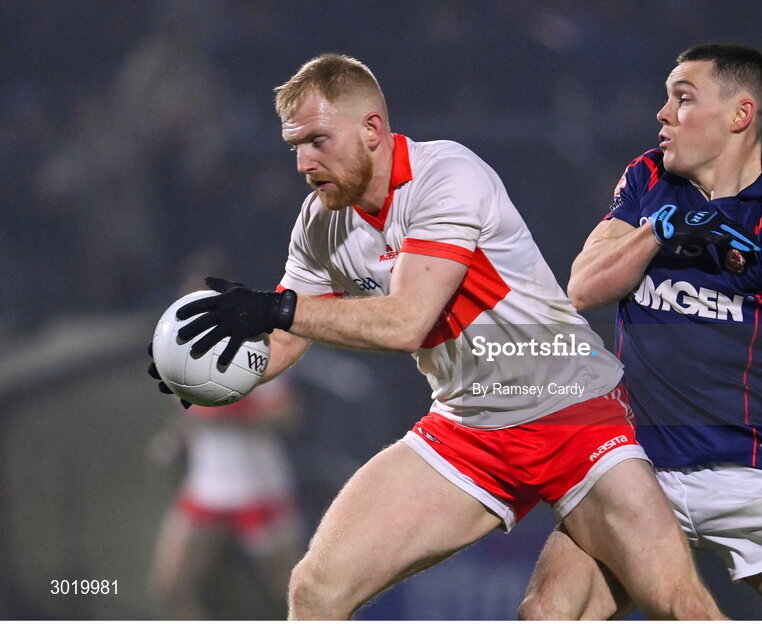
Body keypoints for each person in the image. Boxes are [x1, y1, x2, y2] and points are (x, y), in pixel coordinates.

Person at [152, 53, 723, 619]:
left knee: (668, 603)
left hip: (573, 413)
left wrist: (276, 309)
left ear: (373, 129)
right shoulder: (320, 221)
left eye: (318, 140)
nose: (303, 161)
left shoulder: (445, 176)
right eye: (295, 145)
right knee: (315, 590)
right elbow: (285, 338)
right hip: (468, 430)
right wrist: (210, 373)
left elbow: (406, 321)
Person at [518, 44, 762, 620]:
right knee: (547, 613)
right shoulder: (647, 180)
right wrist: (657, 232)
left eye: (683, 99)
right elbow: (583, 287)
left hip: (750, 482)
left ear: (739, 116)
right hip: (635, 472)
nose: (663, 114)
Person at [148, 380, 304, 619]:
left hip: (257, 489)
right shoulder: (180, 364)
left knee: (291, 592)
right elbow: (189, 417)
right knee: (171, 587)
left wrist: (234, 414)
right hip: (206, 487)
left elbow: (289, 414)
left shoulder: (256, 361)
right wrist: (173, 439)